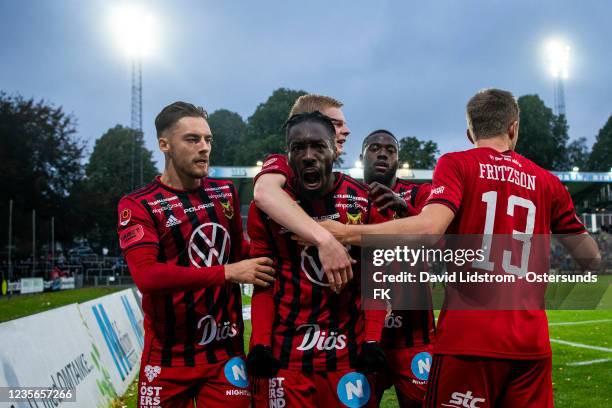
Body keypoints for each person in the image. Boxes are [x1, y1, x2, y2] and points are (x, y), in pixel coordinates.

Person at [317, 89, 601, 407]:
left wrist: (344, 233)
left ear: (470, 132)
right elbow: (591, 257)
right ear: (513, 127)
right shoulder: (548, 182)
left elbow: (428, 229)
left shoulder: (457, 164)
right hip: (531, 343)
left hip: (468, 339)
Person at [117, 101, 275, 408]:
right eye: (192, 139)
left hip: (224, 354)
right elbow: (146, 276)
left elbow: (237, 250)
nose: (204, 147)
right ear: (164, 144)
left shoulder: (224, 192)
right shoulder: (138, 204)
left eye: (208, 139)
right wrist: (228, 272)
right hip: (167, 357)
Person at [246, 111, 386, 407]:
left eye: (318, 146)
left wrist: (371, 340)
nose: (308, 156)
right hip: (287, 358)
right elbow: (264, 282)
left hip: (347, 357)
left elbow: (375, 281)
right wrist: (260, 343)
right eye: (298, 148)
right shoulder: (268, 208)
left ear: (335, 150)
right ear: (288, 156)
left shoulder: (363, 200)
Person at [361, 129, 435, 407]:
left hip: (415, 338)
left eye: (390, 150)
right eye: (374, 147)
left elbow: (438, 240)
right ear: (362, 155)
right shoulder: (350, 196)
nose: (382, 153)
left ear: (398, 159)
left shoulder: (421, 193)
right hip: (364, 338)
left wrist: (404, 207)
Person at [253, 94, 353, 293]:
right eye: (337, 123)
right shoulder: (283, 163)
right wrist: (325, 239)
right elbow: (264, 191)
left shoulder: (351, 188)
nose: (347, 131)